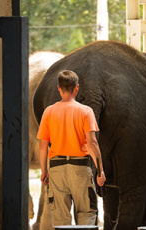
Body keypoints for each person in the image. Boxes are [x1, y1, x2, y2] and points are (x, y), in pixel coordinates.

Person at [37, 70, 106, 226]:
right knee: (87, 215)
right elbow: (92, 143)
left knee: (61, 221)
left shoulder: (49, 112)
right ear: (77, 88)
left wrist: (44, 171)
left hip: (57, 169)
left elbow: (43, 146)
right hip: (80, 169)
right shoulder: (85, 111)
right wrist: (100, 171)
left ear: (59, 89)